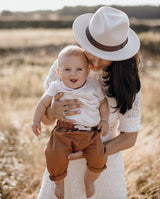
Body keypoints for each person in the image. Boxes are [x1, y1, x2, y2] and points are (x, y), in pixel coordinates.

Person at [37, 6, 142, 199]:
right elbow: (46, 120)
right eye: (92, 50)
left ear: (118, 55)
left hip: (103, 168)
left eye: (105, 55)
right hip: (62, 162)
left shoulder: (128, 82)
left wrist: (91, 152)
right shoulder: (67, 65)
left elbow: (129, 137)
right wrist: (52, 112)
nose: (95, 60)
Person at [32, 45, 109, 198]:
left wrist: (105, 121)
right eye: (67, 70)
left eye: (79, 69)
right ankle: (59, 184)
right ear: (59, 72)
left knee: (99, 157)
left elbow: (103, 104)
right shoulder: (56, 86)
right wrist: (36, 120)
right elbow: (42, 104)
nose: (73, 74)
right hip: (64, 131)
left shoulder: (93, 87)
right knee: (53, 154)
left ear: (87, 72)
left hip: (91, 133)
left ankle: (90, 180)